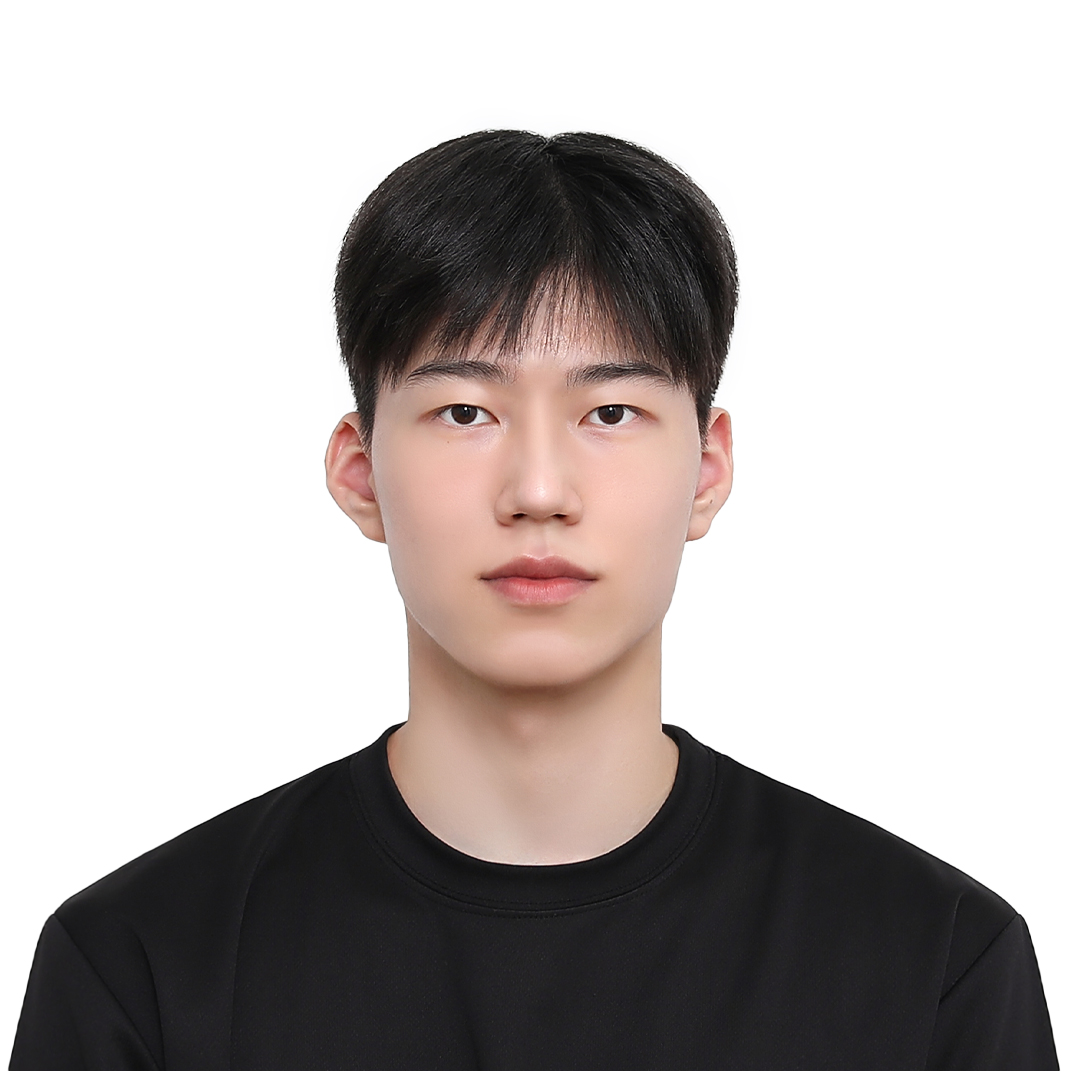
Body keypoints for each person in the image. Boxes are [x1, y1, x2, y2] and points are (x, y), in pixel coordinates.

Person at [10, 130, 1059, 1070]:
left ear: (706, 471)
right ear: (359, 472)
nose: (540, 490)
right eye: (466, 411)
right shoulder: (142, 969)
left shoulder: (933, 966)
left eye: (610, 411)